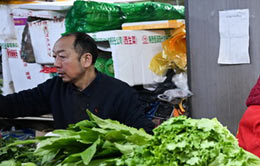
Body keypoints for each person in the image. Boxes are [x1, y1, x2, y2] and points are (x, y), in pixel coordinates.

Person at [0, 32, 154, 133]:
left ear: (86, 59)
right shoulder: (55, 88)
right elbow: (15, 104)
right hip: (70, 164)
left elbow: (143, 131)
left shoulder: (119, 93)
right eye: (55, 57)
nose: (56, 64)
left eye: (62, 57)